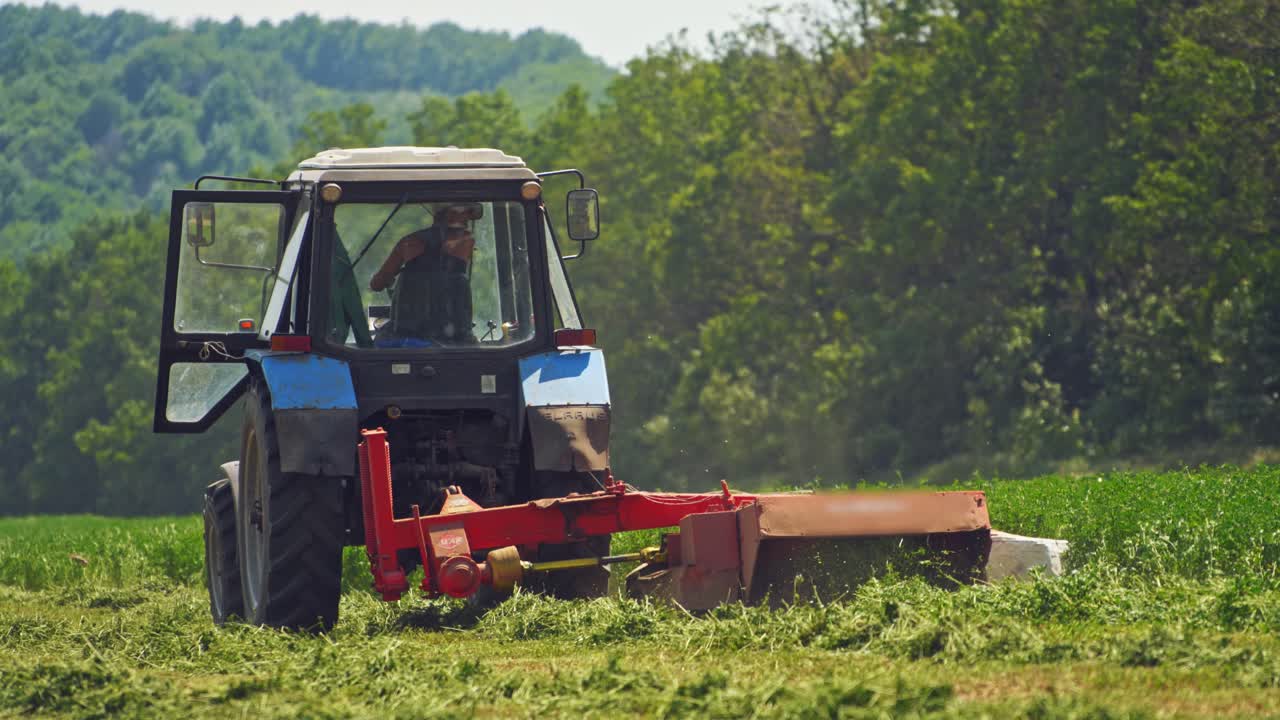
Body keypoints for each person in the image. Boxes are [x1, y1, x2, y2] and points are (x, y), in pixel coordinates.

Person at [370, 203, 482, 345]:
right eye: (466, 214)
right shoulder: (466, 242)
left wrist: (395, 275)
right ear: (450, 215)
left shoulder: (408, 243)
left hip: (408, 333)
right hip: (456, 336)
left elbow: (377, 284)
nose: (468, 222)